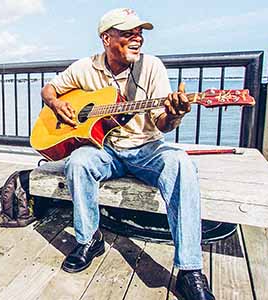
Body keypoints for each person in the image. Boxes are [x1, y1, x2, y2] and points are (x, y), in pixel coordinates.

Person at [40, 8, 214, 300]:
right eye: (128, 33)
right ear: (106, 38)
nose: (138, 38)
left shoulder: (152, 67)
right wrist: (58, 105)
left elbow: (163, 123)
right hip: (106, 149)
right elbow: (49, 90)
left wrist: (175, 116)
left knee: (181, 162)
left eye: (140, 32)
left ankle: (189, 271)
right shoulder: (85, 68)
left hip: (146, 148)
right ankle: (88, 241)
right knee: (79, 161)